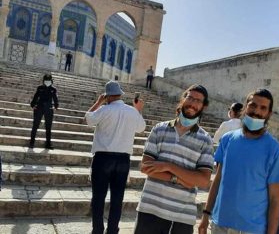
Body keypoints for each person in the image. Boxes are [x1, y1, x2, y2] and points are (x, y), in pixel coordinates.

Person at [199, 89, 279, 234]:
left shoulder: (274, 149)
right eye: (253, 105)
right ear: (246, 107)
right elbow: (218, 179)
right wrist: (206, 215)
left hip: (252, 229)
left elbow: (275, 198)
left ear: (269, 114)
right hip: (219, 225)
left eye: (263, 108)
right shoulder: (227, 139)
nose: (256, 111)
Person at [134, 84, 215, 234]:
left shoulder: (205, 140)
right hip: (150, 209)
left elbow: (203, 180)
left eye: (198, 101)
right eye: (190, 98)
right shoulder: (159, 129)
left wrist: (168, 166)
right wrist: (180, 180)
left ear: (203, 106)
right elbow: (146, 167)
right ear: (182, 100)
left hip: (182, 217)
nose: (193, 103)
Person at [85, 81, 146, 234]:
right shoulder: (132, 111)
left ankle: (97, 230)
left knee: (98, 197)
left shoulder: (104, 109)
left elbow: (88, 119)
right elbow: (141, 128)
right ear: (120, 94)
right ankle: (113, 231)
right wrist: (138, 110)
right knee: (117, 198)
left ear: (107, 96)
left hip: (103, 159)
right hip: (123, 160)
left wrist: (98, 102)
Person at [29, 74, 59, 149]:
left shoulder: (53, 89)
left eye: (49, 80)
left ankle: (48, 144)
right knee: (35, 125)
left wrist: (56, 106)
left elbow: (55, 99)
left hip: (48, 109)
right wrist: (33, 105)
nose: (47, 82)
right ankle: (32, 142)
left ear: (51, 81)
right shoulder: (40, 88)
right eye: (46, 80)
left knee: (48, 127)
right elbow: (36, 97)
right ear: (43, 80)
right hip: (39, 108)